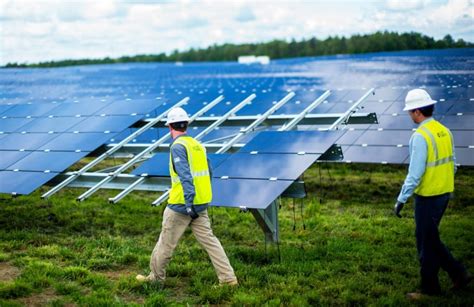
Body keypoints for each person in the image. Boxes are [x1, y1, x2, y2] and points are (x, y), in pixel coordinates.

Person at [136, 107, 238, 287]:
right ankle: (228, 279)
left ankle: (155, 279)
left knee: (166, 243)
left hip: (182, 204)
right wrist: (200, 199)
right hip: (200, 203)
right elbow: (209, 172)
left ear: (170, 127)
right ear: (186, 125)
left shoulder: (178, 147)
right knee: (211, 242)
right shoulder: (197, 145)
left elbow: (185, 176)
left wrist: (189, 203)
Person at [394, 89, 471, 299]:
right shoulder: (445, 131)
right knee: (429, 237)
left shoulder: (420, 136)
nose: (410, 115)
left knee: (426, 242)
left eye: (410, 111)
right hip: (444, 193)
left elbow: (415, 174)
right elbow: (453, 164)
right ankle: (458, 274)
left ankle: (431, 289)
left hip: (428, 197)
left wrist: (401, 198)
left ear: (417, 111)